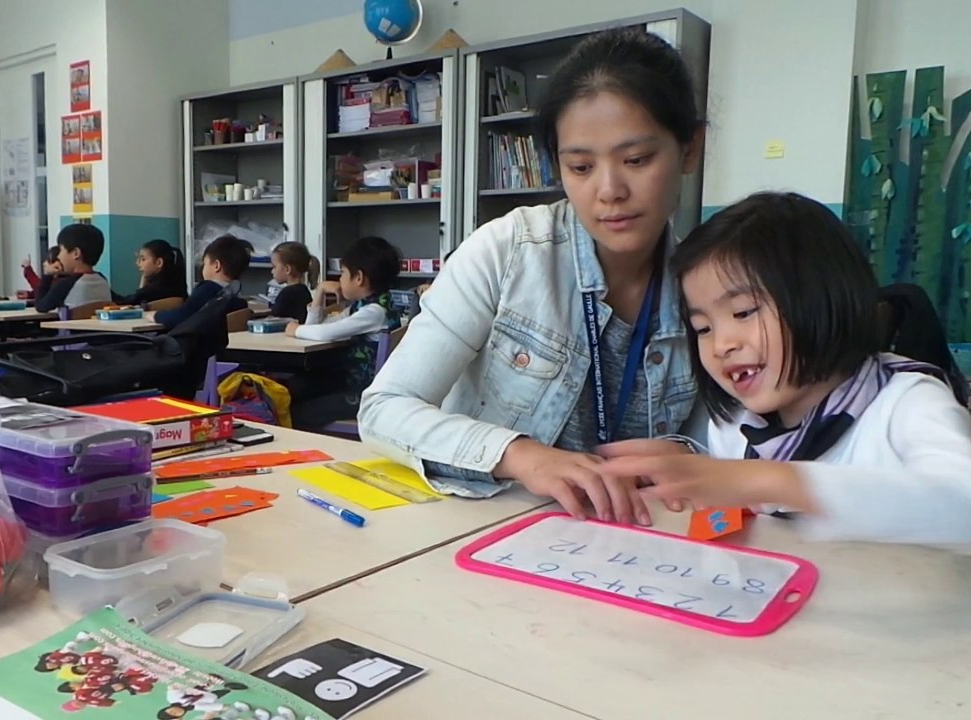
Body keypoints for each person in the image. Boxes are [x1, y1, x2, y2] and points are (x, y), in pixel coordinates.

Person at [358, 27, 705, 524]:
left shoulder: (708, 286)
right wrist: (520, 456)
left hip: (634, 544)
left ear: (690, 149)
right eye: (581, 167)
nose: (609, 190)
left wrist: (687, 456)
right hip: (476, 538)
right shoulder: (508, 252)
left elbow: (722, 440)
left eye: (636, 160)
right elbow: (384, 409)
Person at [603, 192, 971, 554]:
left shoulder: (908, 403)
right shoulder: (734, 424)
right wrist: (692, 472)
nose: (720, 344)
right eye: (702, 328)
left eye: (743, 312)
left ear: (821, 297)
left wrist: (775, 481)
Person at [286, 235, 401, 430]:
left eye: (342, 273)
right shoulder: (366, 306)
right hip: (354, 383)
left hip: (362, 394)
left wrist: (295, 330)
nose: (339, 280)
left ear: (359, 278)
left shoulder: (373, 312)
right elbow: (318, 327)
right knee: (293, 388)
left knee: (298, 413)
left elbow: (325, 334)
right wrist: (320, 292)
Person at [154, 235, 251, 330]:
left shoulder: (208, 289)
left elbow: (180, 316)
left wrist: (156, 315)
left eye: (205, 263)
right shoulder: (234, 294)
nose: (202, 268)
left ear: (216, 266)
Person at [35, 224, 113, 313]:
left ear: (76, 253)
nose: (59, 256)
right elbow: (121, 300)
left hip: (71, 327)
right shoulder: (102, 280)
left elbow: (40, 306)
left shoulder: (64, 285)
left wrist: (47, 275)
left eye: (61, 250)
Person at [113, 239, 189, 307]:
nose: (137, 263)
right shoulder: (176, 284)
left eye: (143, 259)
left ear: (159, 262)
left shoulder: (157, 290)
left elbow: (123, 303)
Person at [268, 241, 319, 323]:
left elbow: (275, 316)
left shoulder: (287, 294)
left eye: (274, 267)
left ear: (287, 269)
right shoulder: (303, 290)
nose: (272, 271)